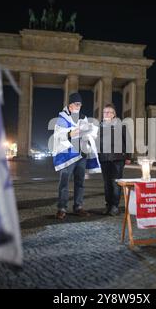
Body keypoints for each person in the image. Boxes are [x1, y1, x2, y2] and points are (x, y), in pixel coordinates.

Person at [52, 92, 101, 220]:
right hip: (67, 155)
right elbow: (58, 135)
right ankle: (62, 208)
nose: (79, 106)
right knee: (64, 182)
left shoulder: (83, 117)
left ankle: (78, 206)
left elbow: (87, 135)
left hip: (81, 155)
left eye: (80, 104)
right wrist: (71, 133)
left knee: (80, 182)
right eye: (76, 104)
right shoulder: (61, 118)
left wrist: (90, 133)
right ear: (69, 105)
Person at [98, 104, 131, 216]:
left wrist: (128, 156)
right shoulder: (99, 126)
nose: (106, 114)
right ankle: (108, 205)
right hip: (104, 159)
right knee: (107, 184)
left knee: (115, 183)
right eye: (104, 112)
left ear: (114, 114)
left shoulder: (121, 126)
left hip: (118, 158)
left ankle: (115, 206)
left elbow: (128, 141)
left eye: (108, 112)